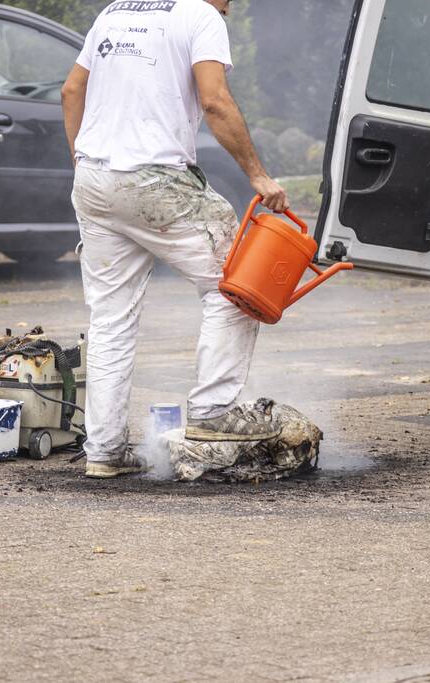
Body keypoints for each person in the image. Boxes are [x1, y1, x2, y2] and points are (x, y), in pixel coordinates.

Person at [62, 0, 289, 478]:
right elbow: (214, 101)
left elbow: (71, 91)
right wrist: (258, 175)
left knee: (110, 318)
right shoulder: (199, 15)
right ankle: (213, 411)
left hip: (95, 181)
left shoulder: (114, 11)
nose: (230, 6)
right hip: (157, 181)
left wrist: (82, 162)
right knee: (237, 284)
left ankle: (103, 452)